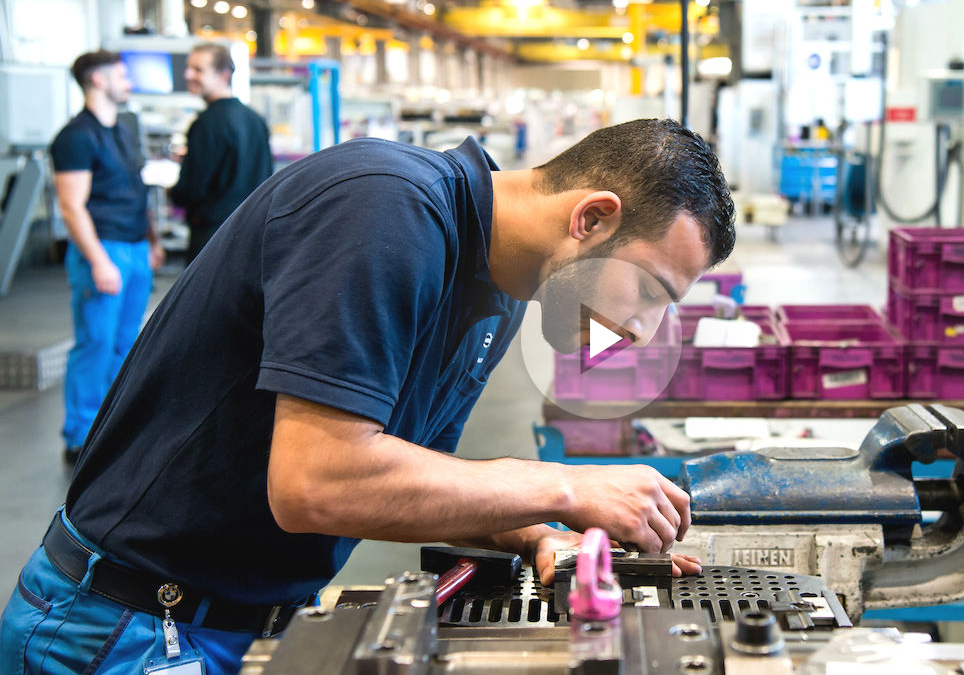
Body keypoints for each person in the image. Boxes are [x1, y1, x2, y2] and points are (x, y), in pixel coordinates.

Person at [0, 118, 736, 675]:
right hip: (125, 624)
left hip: (237, 620)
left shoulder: (499, 291)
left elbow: (407, 473)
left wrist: (541, 533)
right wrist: (565, 486)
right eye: (648, 291)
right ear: (592, 218)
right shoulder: (383, 208)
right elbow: (317, 481)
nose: (643, 331)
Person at [49, 51, 165, 465]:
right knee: (95, 343)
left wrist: (151, 239)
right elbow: (71, 206)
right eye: (120, 74)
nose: (127, 80)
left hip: (134, 248)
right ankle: (79, 434)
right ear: (97, 80)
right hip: (103, 250)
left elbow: (136, 190)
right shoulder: (76, 136)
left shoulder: (123, 130)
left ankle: (111, 428)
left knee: (124, 345)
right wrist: (98, 260)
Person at [168, 43, 272, 264]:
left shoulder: (207, 124)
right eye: (189, 68)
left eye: (198, 69)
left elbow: (192, 188)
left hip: (212, 239)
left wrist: (173, 191)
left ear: (224, 75)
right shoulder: (255, 119)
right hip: (252, 236)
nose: (188, 74)